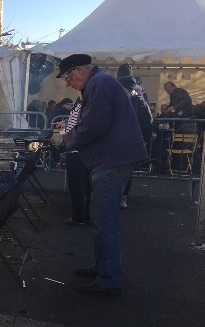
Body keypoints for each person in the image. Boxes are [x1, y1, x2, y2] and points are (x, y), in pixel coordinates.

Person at [58, 54, 147, 297]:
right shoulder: (100, 82)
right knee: (100, 218)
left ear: (78, 70)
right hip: (111, 159)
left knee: (104, 221)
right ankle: (103, 268)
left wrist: (65, 140)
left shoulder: (99, 83)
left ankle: (109, 279)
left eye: (68, 77)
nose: (67, 83)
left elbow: (95, 125)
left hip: (112, 160)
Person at [118, 76, 153, 209]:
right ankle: (122, 196)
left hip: (125, 140)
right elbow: (148, 122)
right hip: (130, 141)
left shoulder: (132, 100)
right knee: (125, 171)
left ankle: (121, 196)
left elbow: (146, 122)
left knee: (122, 171)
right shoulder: (140, 100)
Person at [55, 97, 91, 226]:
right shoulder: (86, 105)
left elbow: (72, 131)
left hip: (77, 153)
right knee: (87, 185)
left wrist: (61, 129)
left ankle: (79, 217)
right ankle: (87, 215)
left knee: (77, 186)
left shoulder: (81, 107)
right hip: (84, 152)